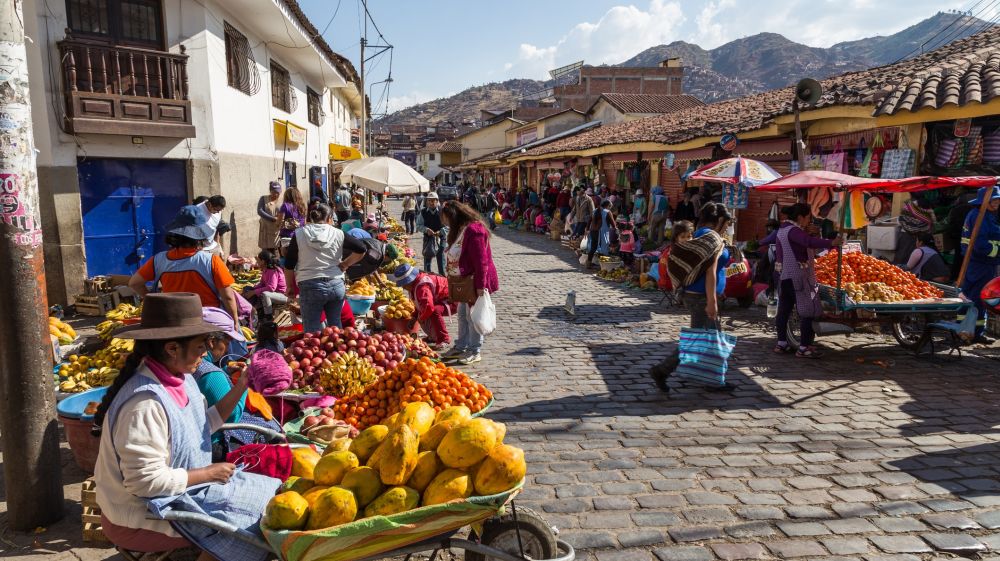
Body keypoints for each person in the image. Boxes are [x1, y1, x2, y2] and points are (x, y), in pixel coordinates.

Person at [92, 293, 278, 561]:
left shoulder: (181, 377)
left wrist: (242, 385)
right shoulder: (144, 404)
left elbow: (205, 424)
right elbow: (145, 483)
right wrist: (207, 473)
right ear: (172, 348)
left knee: (270, 498)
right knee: (252, 529)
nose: (205, 353)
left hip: (178, 495)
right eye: (201, 345)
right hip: (139, 516)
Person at [129, 206, 240, 330]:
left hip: (173, 321)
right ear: (200, 235)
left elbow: (134, 283)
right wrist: (234, 321)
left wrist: (154, 301)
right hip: (207, 323)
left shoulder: (158, 260)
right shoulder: (211, 261)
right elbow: (228, 297)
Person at [283, 203, 366, 333]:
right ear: (329, 219)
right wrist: (345, 264)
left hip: (310, 287)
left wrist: (289, 287)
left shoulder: (299, 234)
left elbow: (289, 265)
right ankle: (338, 352)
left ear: (310, 219)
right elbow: (362, 249)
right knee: (336, 329)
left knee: (312, 333)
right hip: (336, 285)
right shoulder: (338, 233)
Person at [773, 203, 841, 358]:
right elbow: (808, 243)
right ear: (800, 217)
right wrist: (831, 242)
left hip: (784, 276)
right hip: (798, 277)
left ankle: (782, 343)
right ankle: (804, 347)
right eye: (808, 217)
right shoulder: (793, 231)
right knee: (808, 311)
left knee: (784, 311)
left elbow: (805, 244)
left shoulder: (783, 229)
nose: (809, 221)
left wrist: (812, 234)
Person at [440, 201, 499, 365]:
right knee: (462, 314)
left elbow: (481, 262)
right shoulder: (462, 229)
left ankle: (474, 350)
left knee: (472, 316)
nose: (445, 222)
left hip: (474, 281)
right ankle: (461, 345)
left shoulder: (474, 230)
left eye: (447, 219)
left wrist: (480, 286)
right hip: (464, 281)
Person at [196, 307, 250, 460]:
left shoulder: (188, 367)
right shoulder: (211, 374)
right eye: (227, 343)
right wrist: (243, 384)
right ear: (212, 342)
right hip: (213, 445)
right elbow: (232, 416)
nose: (228, 349)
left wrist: (226, 371)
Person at [960, 185, 1000, 343]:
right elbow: (982, 245)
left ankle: (967, 330)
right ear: (985, 201)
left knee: (970, 297)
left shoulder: (983, 215)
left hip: (976, 263)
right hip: (981, 265)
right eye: (994, 201)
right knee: (979, 298)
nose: (997, 204)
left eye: (998, 201)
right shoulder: (980, 216)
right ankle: (972, 333)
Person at [392, 263, 455, 347]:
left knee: (434, 311)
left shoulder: (422, 287)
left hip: (454, 300)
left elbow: (428, 307)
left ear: (409, 281)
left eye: (404, 285)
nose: (403, 288)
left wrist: (420, 319)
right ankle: (433, 337)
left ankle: (444, 339)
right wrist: (414, 317)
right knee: (424, 312)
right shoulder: (415, 285)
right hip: (439, 300)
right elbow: (420, 304)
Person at [244, 250, 287, 319]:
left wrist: (254, 292)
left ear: (263, 261)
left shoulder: (272, 270)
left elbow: (271, 288)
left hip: (281, 295)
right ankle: (251, 312)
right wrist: (252, 289)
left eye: (258, 260)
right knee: (247, 288)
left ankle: (268, 317)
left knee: (265, 294)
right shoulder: (265, 270)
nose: (257, 262)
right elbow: (262, 283)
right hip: (273, 293)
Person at [894, 200, 934, 267]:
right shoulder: (928, 209)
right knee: (909, 257)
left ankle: (897, 272)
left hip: (906, 235)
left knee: (903, 256)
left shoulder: (908, 206)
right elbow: (931, 223)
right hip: (915, 236)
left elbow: (899, 220)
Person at [420, 192, 447, 275]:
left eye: (433, 200)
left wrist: (441, 231)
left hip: (441, 238)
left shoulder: (443, 211)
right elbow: (418, 225)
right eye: (429, 200)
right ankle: (427, 278)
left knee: (441, 259)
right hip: (428, 239)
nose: (431, 202)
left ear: (437, 201)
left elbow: (449, 225)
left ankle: (442, 278)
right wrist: (426, 230)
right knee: (427, 259)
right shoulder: (423, 212)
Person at [586, 200, 617, 268]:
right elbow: (613, 224)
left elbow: (589, 221)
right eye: (610, 207)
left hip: (593, 231)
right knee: (603, 248)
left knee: (593, 247)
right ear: (608, 206)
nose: (610, 208)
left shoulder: (595, 211)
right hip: (601, 232)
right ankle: (604, 266)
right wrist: (616, 229)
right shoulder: (607, 212)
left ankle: (588, 262)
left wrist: (587, 229)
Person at [257, 181, 282, 252]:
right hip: (265, 230)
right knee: (266, 252)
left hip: (276, 231)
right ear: (270, 191)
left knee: (276, 251)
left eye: (278, 192)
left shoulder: (281, 200)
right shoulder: (263, 199)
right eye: (275, 192)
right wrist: (273, 218)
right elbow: (260, 211)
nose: (277, 194)